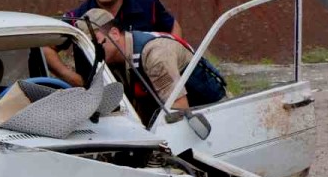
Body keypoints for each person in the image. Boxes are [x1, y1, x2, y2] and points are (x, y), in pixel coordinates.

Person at [44, 0, 183, 87]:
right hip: (99, 98)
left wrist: (171, 63)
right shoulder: (77, 17)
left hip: (147, 93)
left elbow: (173, 28)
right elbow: (46, 47)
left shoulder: (148, 5)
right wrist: (74, 79)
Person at [89, 12, 227, 124]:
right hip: (193, 117)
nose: (92, 49)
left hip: (217, 115)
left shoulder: (154, 54)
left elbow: (179, 111)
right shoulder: (120, 58)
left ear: (114, 34)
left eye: (95, 42)